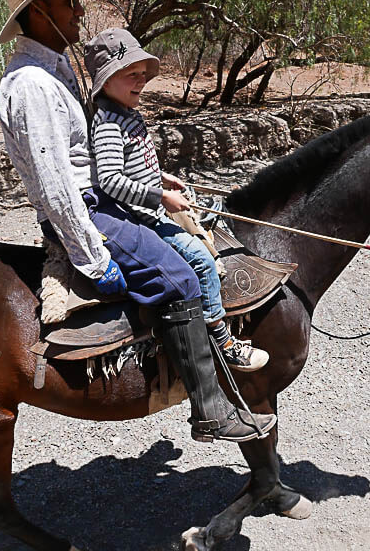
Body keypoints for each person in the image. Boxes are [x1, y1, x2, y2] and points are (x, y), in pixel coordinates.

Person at [0, 0, 275, 443]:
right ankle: (210, 410)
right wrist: (92, 257)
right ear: (39, 11)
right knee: (180, 276)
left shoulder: (52, 70)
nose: (80, 11)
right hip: (88, 212)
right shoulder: (33, 85)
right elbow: (56, 184)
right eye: (70, 2)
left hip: (95, 204)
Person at [85, 28, 269, 372]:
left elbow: (133, 164)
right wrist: (160, 196)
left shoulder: (127, 113)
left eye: (142, 74)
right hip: (138, 217)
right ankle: (221, 340)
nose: (140, 81)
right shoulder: (109, 123)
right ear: (107, 81)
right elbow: (110, 180)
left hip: (150, 204)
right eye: (130, 75)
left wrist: (162, 177)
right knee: (199, 259)